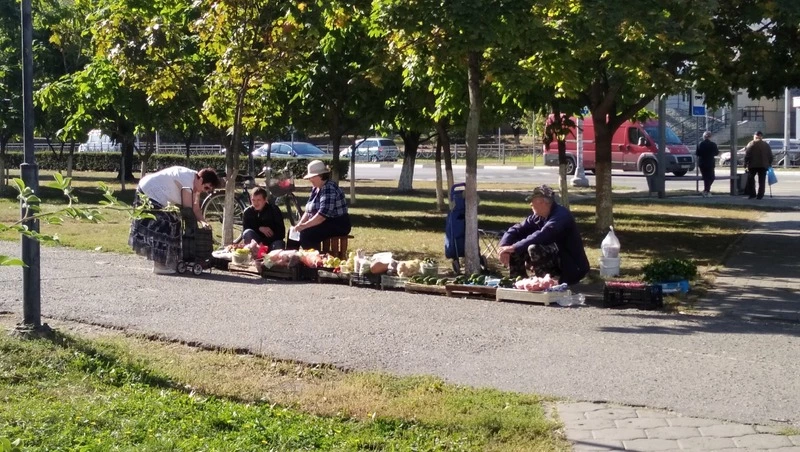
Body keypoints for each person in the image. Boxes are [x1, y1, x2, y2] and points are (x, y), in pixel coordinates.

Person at [129, 166, 221, 274]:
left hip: (158, 197)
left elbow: (196, 209)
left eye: (208, 190)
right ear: (200, 180)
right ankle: (160, 265)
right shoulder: (187, 181)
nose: (204, 191)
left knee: (175, 222)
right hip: (149, 192)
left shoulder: (195, 184)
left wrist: (204, 222)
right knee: (167, 224)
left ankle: (168, 261)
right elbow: (188, 210)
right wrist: (195, 232)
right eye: (206, 188)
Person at [497, 184, 589, 285]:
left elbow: (543, 235)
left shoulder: (561, 215)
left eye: (532, 201)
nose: (530, 204)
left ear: (542, 202)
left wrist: (514, 247)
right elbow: (515, 229)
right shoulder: (538, 217)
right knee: (514, 245)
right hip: (555, 259)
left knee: (532, 247)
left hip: (570, 266)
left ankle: (544, 283)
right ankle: (518, 282)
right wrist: (504, 247)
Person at [293, 160, 351, 250]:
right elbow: (308, 211)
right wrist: (299, 225)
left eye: (312, 177)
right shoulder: (316, 188)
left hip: (337, 224)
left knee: (306, 234)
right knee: (293, 233)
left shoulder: (329, 188)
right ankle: (291, 256)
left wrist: (304, 226)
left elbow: (322, 216)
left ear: (321, 176)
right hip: (323, 222)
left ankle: (313, 258)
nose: (310, 180)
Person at [743, 131, 773, 200]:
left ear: (755, 136)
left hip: (752, 165)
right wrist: (769, 164)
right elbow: (770, 155)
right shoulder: (766, 145)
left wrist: (745, 163)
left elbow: (747, 154)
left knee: (750, 179)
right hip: (763, 165)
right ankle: (760, 195)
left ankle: (752, 194)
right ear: (761, 137)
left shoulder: (751, 143)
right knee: (762, 181)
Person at [695, 131, 719, 197]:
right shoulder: (713, 144)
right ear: (710, 137)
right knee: (711, 177)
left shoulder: (700, 144)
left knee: (706, 177)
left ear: (703, 137)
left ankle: (706, 191)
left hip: (702, 163)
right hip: (710, 163)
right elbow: (716, 153)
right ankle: (706, 191)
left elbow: (697, 153)